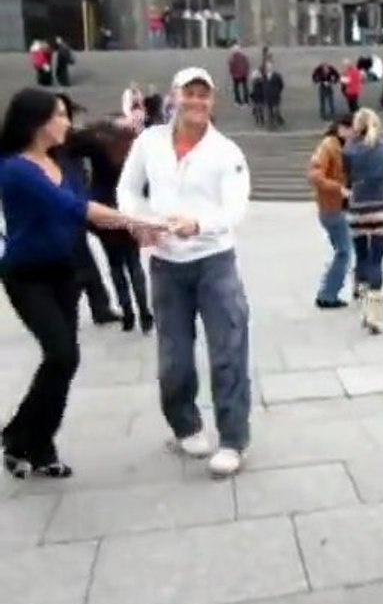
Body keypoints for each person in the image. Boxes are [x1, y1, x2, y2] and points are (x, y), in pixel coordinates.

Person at [0, 88, 162, 479]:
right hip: (27, 275)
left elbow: (81, 217)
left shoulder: (61, 162)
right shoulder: (15, 169)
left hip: (64, 271)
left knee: (63, 361)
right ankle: (19, 435)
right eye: (59, 115)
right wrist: (138, 221)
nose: (67, 122)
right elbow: (72, 208)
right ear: (37, 122)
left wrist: (133, 233)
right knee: (62, 355)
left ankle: (36, 444)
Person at [116, 67, 253, 478]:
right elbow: (127, 188)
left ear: (212, 102)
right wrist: (139, 221)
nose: (196, 102)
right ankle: (185, 423)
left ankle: (233, 438)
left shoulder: (226, 151)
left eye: (203, 95)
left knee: (227, 349)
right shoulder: (149, 142)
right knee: (174, 356)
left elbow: (235, 208)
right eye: (189, 94)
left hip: (214, 260)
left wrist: (200, 225)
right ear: (174, 97)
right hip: (166, 263)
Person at [67, 119, 154, 333]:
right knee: (134, 263)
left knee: (115, 265)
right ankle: (144, 313)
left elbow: (75, 143)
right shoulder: (130, 149)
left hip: (103, 210)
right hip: (126, 209)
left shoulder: (98, 146)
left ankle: (128, 314)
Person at [343, 108, 383, 334]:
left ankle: (365, 305)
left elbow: (347, 178)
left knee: (362, 257)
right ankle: (374, 313)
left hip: (358, 207)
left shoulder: (349, 150)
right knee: (377, 260)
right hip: (380, 206)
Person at [308, 116, 354, 309]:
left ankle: (328, 291)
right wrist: (338, 188)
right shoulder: (328, 146)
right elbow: (315, 175)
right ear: (341, 128)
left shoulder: (340, 146)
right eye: (351, 129)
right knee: (344, 251)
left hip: (335, 206)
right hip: (330, 207)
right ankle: (327, 294)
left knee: (342, 250)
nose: (353, 133)